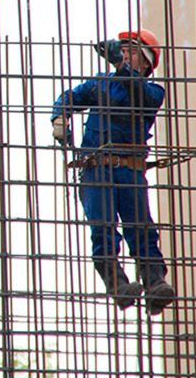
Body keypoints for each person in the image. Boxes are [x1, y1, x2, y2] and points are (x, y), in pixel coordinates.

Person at [51, 29, 175, 315]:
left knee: (141, 227)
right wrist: (60, 116)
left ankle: (155, 283)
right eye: (123, 50)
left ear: (146, 63)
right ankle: (118, 285)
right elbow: (70, 96)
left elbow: (138, 92)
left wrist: (120, 65)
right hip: (97, 170)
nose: (124, 55)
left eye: (131, 52)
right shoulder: (100, 85)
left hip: (129, 171)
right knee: (103, 229)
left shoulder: (152, 91)